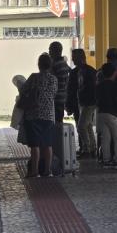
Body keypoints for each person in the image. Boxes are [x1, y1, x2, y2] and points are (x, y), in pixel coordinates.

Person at [20, 53, 58, 178]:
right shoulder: (53, 79)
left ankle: (34, 171)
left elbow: (23, 90)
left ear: (39, 64)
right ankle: (48, 171)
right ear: (50, 65)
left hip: (33, 115)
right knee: (47, 144)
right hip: (48, 116)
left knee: (35, 145)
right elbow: (53, 95)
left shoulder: (33, 77)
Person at [48, 42, 72, 174]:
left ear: (56, 51)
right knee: (57, 124)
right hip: (60, 98)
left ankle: (57, 150)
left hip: (57, 99)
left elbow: (56, 83)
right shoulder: (63, 65)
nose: (50, 51)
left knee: (56, 125)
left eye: (51, 49)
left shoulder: (58, 65)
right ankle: (57, 149)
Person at [96, 62, 117, 167]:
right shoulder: (115, 86)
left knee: (105, 137)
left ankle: (106, 159)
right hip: (112, 114)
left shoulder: (99, 85)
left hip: (100, 113)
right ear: (115, 73)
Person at [71, 49, 98, 159]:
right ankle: (92, 148)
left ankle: (87, 149)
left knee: (81, 126)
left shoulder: (87, 71)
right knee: (88, 126)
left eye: (74, 57)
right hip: (84, 102)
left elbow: (92, 88)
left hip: (89, 103)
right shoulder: (84, 70)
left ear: (80, 57)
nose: (72, 59)